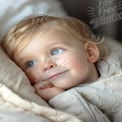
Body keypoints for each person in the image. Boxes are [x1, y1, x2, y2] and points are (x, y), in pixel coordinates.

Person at [1, 15, 122, 122]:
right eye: (30, 64)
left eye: (55, 51)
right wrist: (59, 97)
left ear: (89, 52)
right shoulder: (57, 103)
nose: (47, 65)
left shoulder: (114, 60)